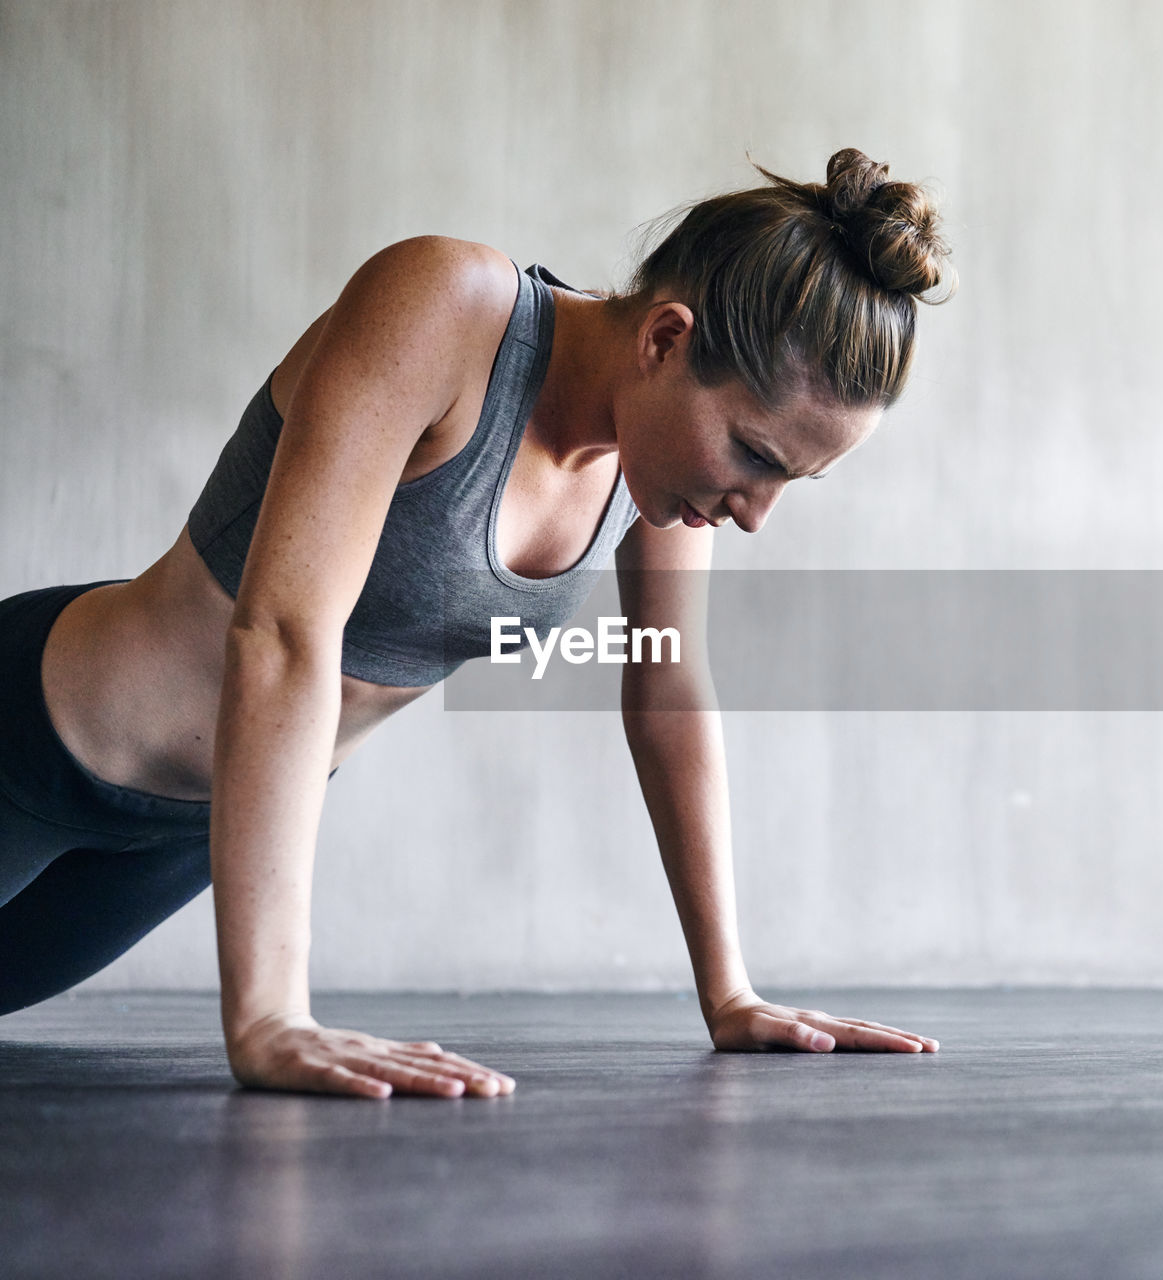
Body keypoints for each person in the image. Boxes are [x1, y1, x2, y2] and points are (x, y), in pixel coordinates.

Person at [0, 148, 956, 1099]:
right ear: (666, 339)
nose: (755, 510)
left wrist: (730, 993)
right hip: (38, 741)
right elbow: (285, 633)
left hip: (181, 842)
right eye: (754, 453)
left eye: (793, 477)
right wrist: (270, 1017)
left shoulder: (654, 471)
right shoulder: (447, 307)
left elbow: (668, 688)